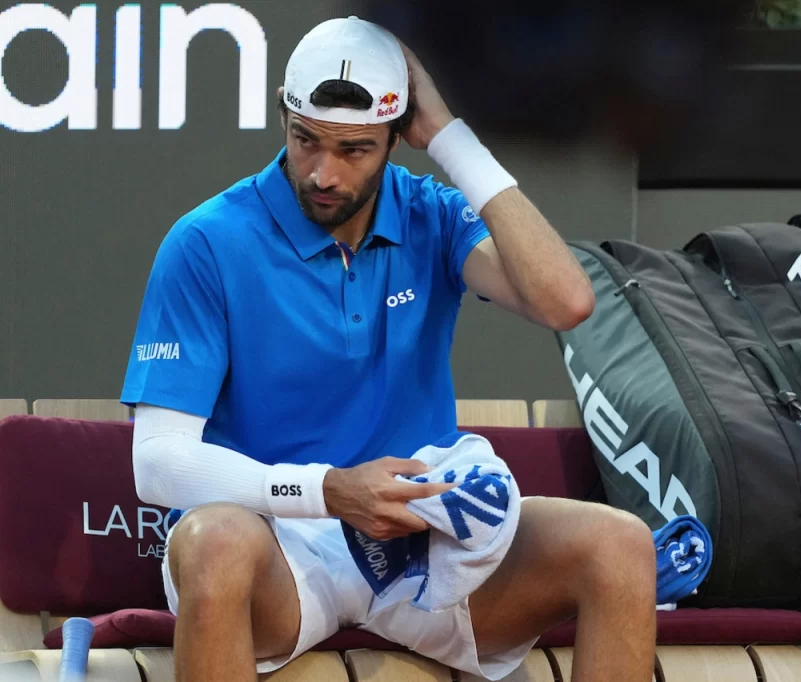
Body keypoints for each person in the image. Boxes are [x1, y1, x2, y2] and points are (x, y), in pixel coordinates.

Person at [121, 16, 656, 682]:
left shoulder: (433, 212)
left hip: (419, 543)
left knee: (619, 547)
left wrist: (450, 138)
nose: (323, 172)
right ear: (283, 114)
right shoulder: (206, 240)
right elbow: (158, 465)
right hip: (277, 545)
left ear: (397, 137)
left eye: (355, 150)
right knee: (212, 543)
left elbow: (566, 302)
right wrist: (327, 490)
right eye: (306, 140)